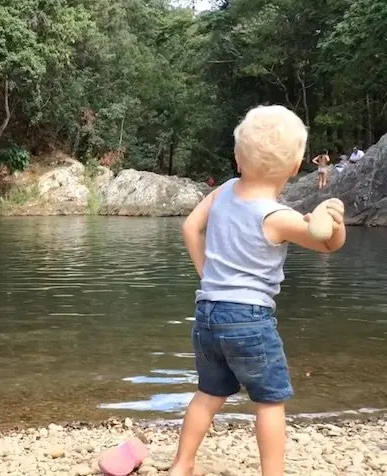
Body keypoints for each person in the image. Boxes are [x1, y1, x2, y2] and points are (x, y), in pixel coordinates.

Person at [171, 105, 346, 476]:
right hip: (249, 318)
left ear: (237, 157)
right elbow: (327, 244)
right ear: (296, 166)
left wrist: (208, 276)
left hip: (208, 312)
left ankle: (182, 465)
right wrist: (334, 219)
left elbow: (189, 228)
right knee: (269, 401)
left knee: (210, 393)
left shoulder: (223, 192)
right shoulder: (277, 217)